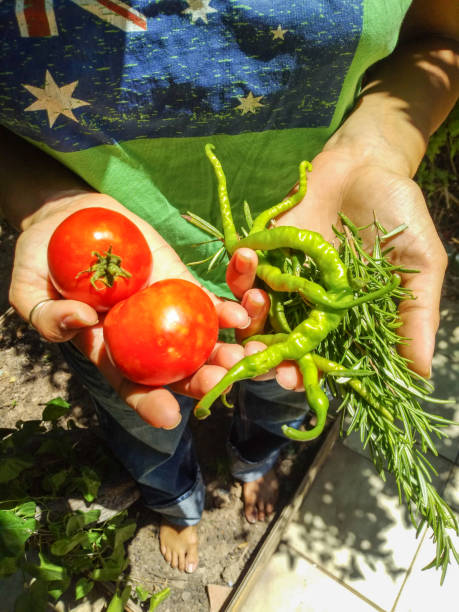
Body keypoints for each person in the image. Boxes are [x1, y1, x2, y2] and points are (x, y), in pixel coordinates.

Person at [1, 0, 457, 575]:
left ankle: (253, 461)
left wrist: (376, 150)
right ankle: (177, 504)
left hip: (295, 264)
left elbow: (438, 34)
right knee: (148, 422)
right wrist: (40, 198)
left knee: (282, 391)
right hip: (110, 306)